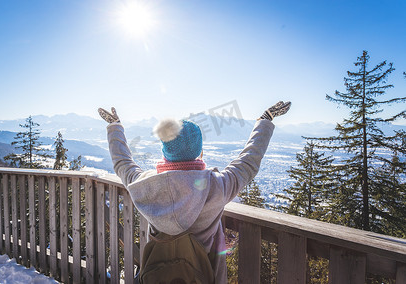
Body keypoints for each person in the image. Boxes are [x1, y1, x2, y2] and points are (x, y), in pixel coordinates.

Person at [99, 101, 291, 283]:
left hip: (158, 275)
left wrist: (115, 126)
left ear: (165, 152)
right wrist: (265, 120)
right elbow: (248, 162)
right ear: (199, 152)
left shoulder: (145, 184)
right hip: (204, 276)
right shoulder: (217, 186)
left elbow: (123, 163)